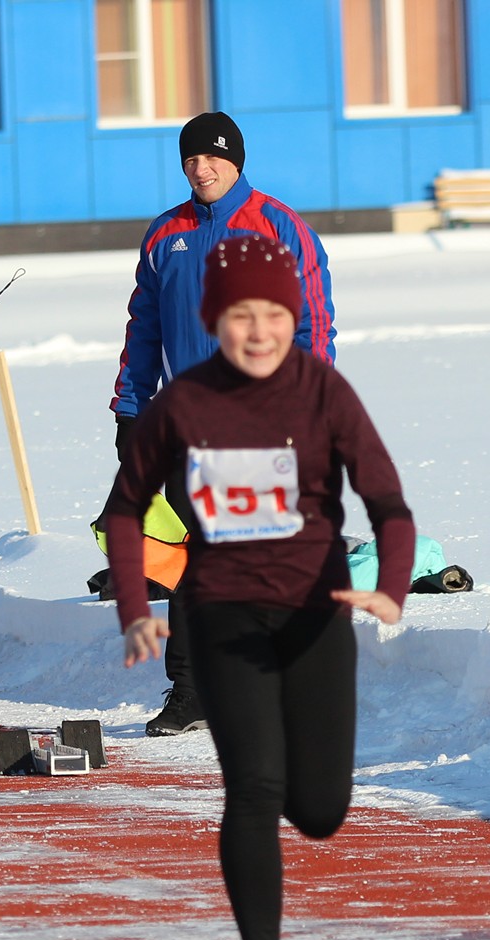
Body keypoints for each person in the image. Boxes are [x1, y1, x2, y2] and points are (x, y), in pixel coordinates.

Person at [105, 236, 414, 940]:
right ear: (215, 318)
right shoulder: (185, 403)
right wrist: (137, 606)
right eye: (241, 314)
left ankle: (278, 922)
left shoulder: (323, 392)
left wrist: (390, 586)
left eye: (274, 314)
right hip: (222, 619)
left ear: (294, 317)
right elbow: (126, 510)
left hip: (315, 615)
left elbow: (389, 501)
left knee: (319, 810)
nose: (259, 330)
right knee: (254, 789)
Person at [109, 112, 337, 739]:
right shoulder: (167, 234)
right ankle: (191, 690)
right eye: (190, 160)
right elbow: (144, 325)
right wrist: (131, 407)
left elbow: (315, 323)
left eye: (212, 158)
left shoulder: (278, 225)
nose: (200, 169)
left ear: (236, 161)